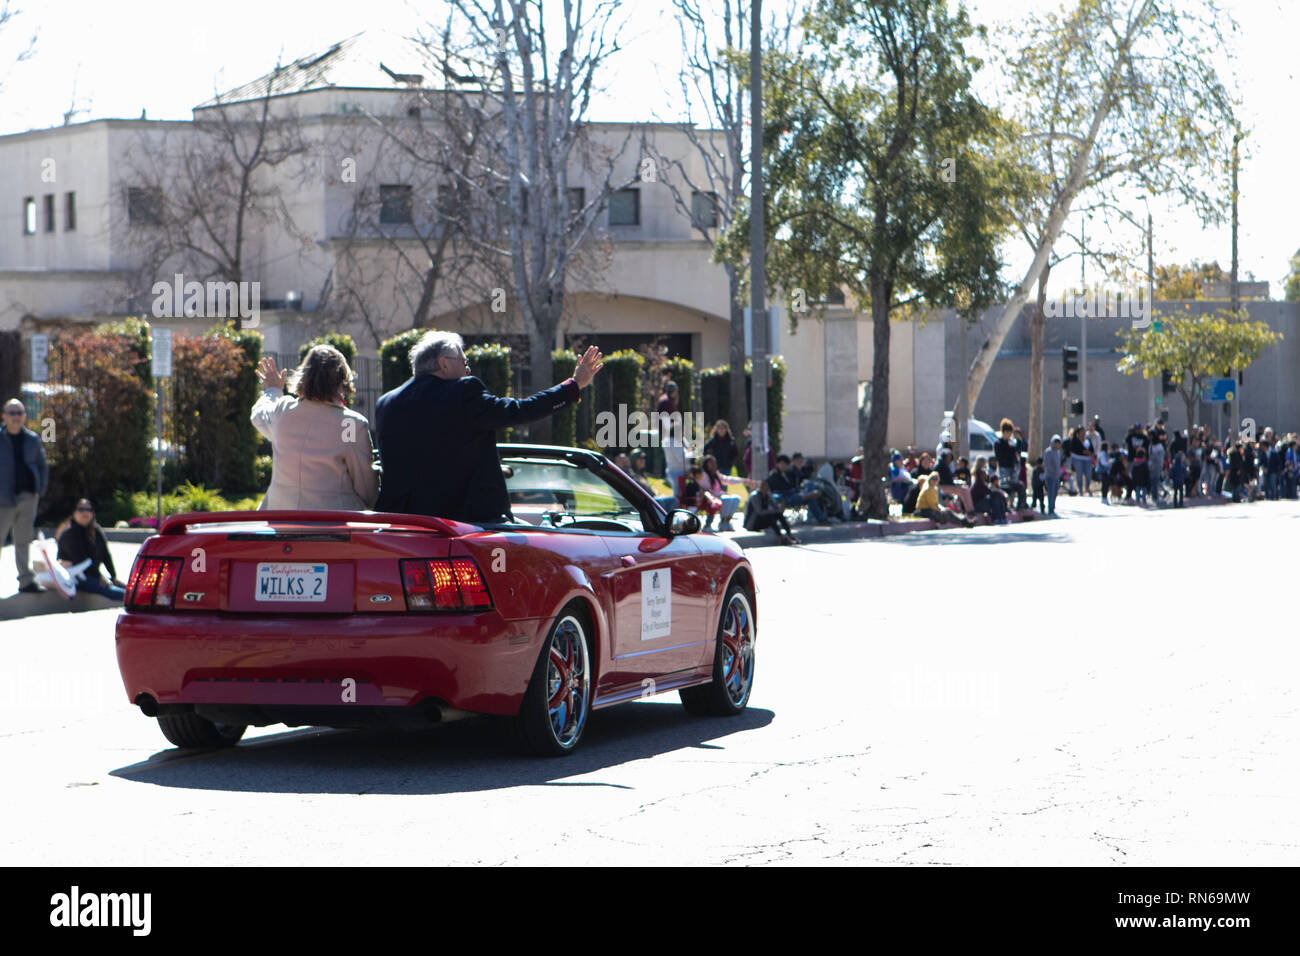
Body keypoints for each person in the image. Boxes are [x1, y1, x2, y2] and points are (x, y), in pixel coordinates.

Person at [374, 332, 603, 522]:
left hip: (403, 524)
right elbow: (518, 410)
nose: (467, 370)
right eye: (464, 363)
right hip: (464, 524)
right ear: (443, 364)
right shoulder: (461, 392)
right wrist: (574, 386)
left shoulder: (387, 403)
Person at [253, 346, 379, 511]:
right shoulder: (349, 424)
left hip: (281, 520)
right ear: (342, 380)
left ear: (303, 377)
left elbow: (258, 415)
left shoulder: (282, 412)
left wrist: (273, 390)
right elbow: (365, 485)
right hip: (333, 524)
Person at [0, 398, 49, 593]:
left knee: (23, 540)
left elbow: (42, 465)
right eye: (12, 413)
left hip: (28, 497)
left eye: (19, 413)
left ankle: (26, 581)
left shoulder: (32, 439)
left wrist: (40, 490)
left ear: (24, 416)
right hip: (3, 499)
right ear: (4, 416)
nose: (16, 417)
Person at [55, 499, 126, 600]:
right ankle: (134, 599)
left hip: (92, 575)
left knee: (126, 587)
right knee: (111, 589)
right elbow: (80, 560)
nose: (85, 512)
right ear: (74, 513)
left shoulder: (96, 530)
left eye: (89, 509)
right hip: (75, 577)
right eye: (81, 509)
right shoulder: (70, 533)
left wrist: (113, 576)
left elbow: (106, 555)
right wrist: (100, 577)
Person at [656, 380, 687, 494]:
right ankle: (665, 475)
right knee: (670, 455)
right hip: (668, 432)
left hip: (666, 432)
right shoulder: (667, 402)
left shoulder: (665, 399)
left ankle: (665, 474)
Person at [743, 480, 797, 545]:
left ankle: (789, 534)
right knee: (770, 517)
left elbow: (775, 507)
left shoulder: (767, 495)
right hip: (752, 523)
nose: (764, 488)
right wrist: (774, 511)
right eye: (762, 486)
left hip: (762, 521)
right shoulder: (754, 496)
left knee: (778, 514)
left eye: (766, 486)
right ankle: (781, 538)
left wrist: (780, 509)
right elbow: (760, 512)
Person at [1042, 435, 1063, 516]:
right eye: (1056, 443)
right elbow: (1047, 464)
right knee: (1050, 493)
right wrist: (1053, 471)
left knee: (1055, 493)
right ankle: (1050, 509)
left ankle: (1053, 508)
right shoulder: (1048, 452)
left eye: (1058, 443)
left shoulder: (1058, 452)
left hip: (1057, 477)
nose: (1057, 445)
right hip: (1050, 476)